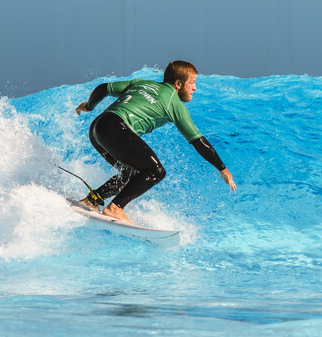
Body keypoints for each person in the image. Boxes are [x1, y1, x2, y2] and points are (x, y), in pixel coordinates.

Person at [75, 60, 236, 223]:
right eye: (192, 82)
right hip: (116, 129)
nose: (194, 88)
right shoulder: (174, 104)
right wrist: (222, 169)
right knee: (156, 171)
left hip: (97, 128)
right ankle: (115, 208)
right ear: (178, 84)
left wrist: (89, 107)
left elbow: (103, 88)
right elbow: (197, 140)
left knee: (131, 173)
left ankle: (92, 200)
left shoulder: (140, 83)